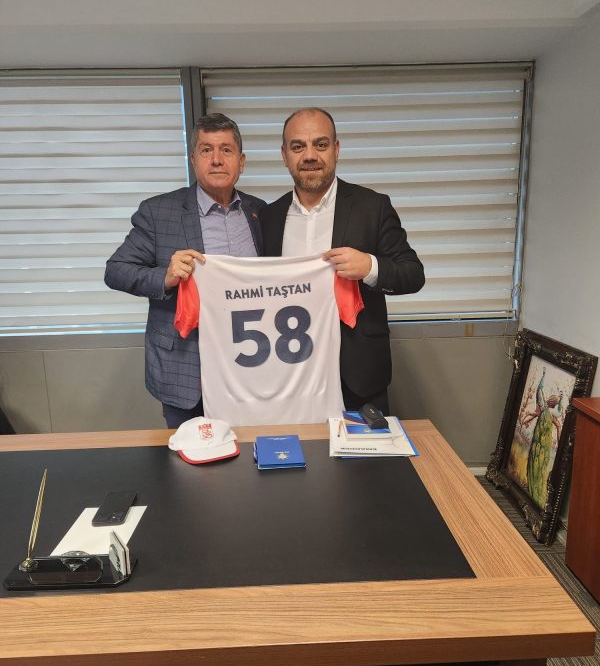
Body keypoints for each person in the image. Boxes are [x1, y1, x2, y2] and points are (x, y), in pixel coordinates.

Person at [260, 108, 424, 414]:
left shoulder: (372, 207)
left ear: (336, 149)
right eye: (298, 146)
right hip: (288, 373)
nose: (310, 155)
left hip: (359, 375)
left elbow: (413, 274)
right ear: (284, 155)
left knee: (364, 448)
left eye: (320, 144)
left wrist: (370, 267)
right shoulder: (268, 216)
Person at [105, 113, 265, 427]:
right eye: (206, 150)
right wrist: (165, 277)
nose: (217, 159)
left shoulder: (260, 212)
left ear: (242, 161)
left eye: (226, 150)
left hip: (251, 366)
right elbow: (116, 270)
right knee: (190, 456)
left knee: (254, 452)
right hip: (187, 370)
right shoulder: (158, 212)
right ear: (193, 160)